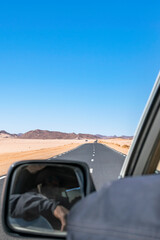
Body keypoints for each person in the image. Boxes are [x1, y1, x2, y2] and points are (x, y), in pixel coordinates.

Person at [10, 166, 71, 231]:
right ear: (42, 186)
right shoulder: (34, 198)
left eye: (56, 183)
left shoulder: (63, 202)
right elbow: (12, 202)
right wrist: (52, 207)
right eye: (49, 180)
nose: (53, 184)